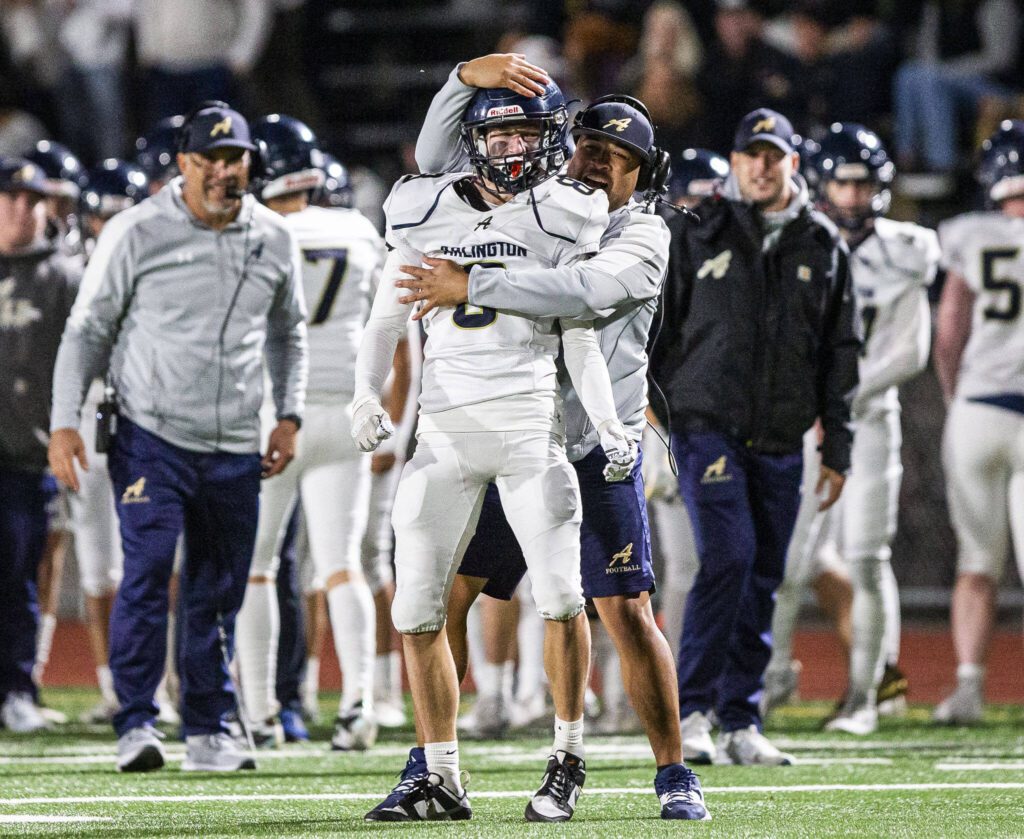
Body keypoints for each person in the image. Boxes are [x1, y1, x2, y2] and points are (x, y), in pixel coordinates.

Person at [373, 53, 710, 822]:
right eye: (593, 147)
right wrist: (462, 79)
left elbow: (583, 294)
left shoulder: (643, 233)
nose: (601, 164)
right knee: (438, 596)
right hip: (508, 434)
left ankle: (671, 770)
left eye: (620, 159)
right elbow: (437, 162)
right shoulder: (541, 206)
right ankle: (431, 762)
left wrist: (471, 283)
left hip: (589, 444)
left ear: (642, 175)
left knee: (622, 608)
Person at [47, 101, 308, 773]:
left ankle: (208, 725)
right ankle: (136, 718)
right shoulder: (137, 230)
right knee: (148, 569)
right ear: (185, 163)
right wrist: (64, 421)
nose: (225, 171)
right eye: (212, 159)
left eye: (236, 158)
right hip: (150, 434)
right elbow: (86, 330)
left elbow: (289, 331)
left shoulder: (274, 237)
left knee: (217, 589)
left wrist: (290, 412)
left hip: (233, 440)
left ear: (250, 162)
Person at [651, 107, 858, 765]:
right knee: (729, 556)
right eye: (752, 154)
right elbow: (655, 330)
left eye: (774, 155)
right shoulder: (694, 229)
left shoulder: (822, 244)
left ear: (792, 163)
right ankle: (692, 709)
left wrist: (838, 446)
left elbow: (839, 352)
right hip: (705, 425)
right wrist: (650, 417)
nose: (762, 166)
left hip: (779, 433)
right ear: (735, 161)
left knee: (766, 572)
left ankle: (741, 717)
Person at [764, 123, 939, 735]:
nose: (853, 195)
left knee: (866, 557)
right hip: (805, 424)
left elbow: (911, 351)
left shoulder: (905, 249)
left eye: (863, 184)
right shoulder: (794, 243)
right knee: (786, 562)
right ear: (819, 184)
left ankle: (864, 696)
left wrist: (841, 396)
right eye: (842, 182)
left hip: (866, 420)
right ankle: (771, 678)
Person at [234, 113, 384, 751]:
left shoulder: (252, 230)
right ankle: (359, 706)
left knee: (258, 570)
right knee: (341, 567)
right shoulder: (355, 227)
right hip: (343, 410)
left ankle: (262, 713)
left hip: (274, 414)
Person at [932, 120, 1024, 725]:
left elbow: (949, 328)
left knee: (975, 561)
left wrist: (953, 398)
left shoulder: (969, 232)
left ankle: (968, 686)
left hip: (977, 411)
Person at [0, 157, 81, 734]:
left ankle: (17, 688)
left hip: (26, 454)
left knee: (21, 576)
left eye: (30, 199)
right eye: (9, 198)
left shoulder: (66, 277)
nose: (20, 209)